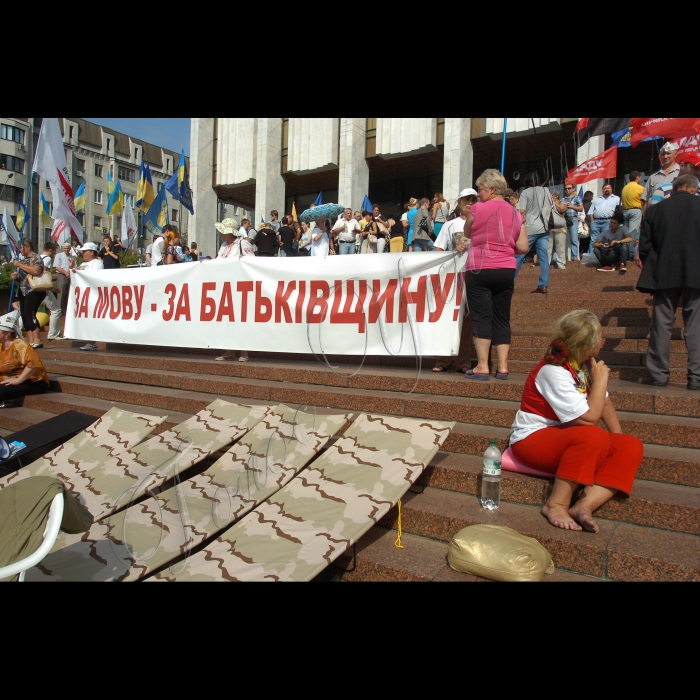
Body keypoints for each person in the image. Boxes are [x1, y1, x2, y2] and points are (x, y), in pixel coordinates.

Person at [509, 310, 644, 533]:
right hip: (532, 439)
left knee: (631, 445)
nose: (603, 340)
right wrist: (601, 381)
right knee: (593, 435)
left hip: (568, 438)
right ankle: (556, 504)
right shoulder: (552, 371)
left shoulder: (583, 365)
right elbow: (590, 418)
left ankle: (584, 505)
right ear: (587, 343)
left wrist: (618, 443)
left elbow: (605, 403)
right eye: (600, 336)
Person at [461, 169, 529, 381]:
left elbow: (467, 233)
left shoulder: (478, 208)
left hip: (479, 268)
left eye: (480, 189)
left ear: (491, 189)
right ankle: (503, 367)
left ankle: (482, 366)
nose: (478, 194)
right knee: (502, 318)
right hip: (506, 269)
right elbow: (523, 246)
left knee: (482, 317)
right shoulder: (516, 213)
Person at [637, 174, 700, 390]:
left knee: (662, 325)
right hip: (696, 273)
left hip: (664, 273)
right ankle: (696, 376)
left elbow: (645, 246)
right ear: (693, 188)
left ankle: (659, 374)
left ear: (672, 190)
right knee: (695, 326)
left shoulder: (655, 210)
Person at [433, 189, 479, 374]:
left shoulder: (481, 223)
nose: (469, 203)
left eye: (473, 200)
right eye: (466, 200)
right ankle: (443, 359)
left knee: (467, 321)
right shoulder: (450, 225)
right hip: (453, 278)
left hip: (472, 275)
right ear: (459, 202)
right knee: (447, 319)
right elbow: (438, 248)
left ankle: (463, 362)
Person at [516, 174, 565, 294]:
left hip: (529, 228)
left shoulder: (525, 192)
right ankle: (543, 284)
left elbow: (521, 211)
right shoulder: (546, 190)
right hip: (544, 227)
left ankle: (509, 282)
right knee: (544, 257)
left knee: (519, 256)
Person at [214, 224, 254, 364]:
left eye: (223, 231)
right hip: (225, 285)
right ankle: (230, 350)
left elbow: (252, 261)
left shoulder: (242, 243)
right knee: (228, 319)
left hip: (240, 285)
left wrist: (244, 258)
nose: (221, 234)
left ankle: (244, 351)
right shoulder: (224, 245)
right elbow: (218, 261)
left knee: (241, 318)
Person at [0, 311, 49, 405]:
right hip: (8, 379)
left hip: (32, 381)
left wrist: (18, 380)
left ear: (7, 333)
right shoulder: (1, 345)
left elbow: (34, 364)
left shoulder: (20, 345)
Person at [11, 240, 46, 349]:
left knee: (30, 313)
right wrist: (16, 277)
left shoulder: (36, 258)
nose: (19, 251)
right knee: (25, 316)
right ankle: (31, 340)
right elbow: (24, 277)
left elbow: (36, 271)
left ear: (27, 247)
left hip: (33, 290)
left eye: (20, 248)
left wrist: (20, 265)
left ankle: (37, 339)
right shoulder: (23, 260)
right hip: (23, 291)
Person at [73, 242, 104, 352]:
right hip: (83, 295)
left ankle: (92, 342)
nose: (83, 254)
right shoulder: (82, 264)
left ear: (91, 252)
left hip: (93, 295)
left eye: (85, 251)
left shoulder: (97, 263)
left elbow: (95, 277)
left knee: (92, 318)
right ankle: (90, 341)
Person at [642, 142, 680, 214]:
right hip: (656, 216)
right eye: (663, 154)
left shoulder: (681, 174)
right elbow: (646, 202)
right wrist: (645, 220)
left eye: (668, 153)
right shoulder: (653, 177)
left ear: (675, 154)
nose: (665, 156)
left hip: (675, 215)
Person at [40, 242, 63, 341]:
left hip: (35, 287)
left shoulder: (37, 257)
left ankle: (16, 328)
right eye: (54, 251)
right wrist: (51, 287)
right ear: (50, 250)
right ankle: (53, 334)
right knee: (56, 310)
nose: (55, 254)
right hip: (44, 288)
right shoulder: (47, 259)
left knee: (31, 310)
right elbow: (45, 273)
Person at [621, 171, 644, 253]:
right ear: (637, 178)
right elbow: (645, 200)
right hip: (635, 211)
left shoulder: (625, 188)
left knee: (626, 233)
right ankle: (629, 253)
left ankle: (625, 251)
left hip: (625, 212)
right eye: (640, 177)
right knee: (632, 233)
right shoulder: (640, 188)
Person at [54, 241, 75, 320]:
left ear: (70, 249)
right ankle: (59, 312)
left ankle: (65, 311)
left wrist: (71, 265)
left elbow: (73, 266)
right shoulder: (58, 255)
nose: (66, 249)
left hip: (70, 275)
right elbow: (57, 267)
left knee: (68, 294)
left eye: (68, 248)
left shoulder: (72, 256)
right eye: (65, 248)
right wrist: (65, 273)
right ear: (63, 249)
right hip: (62, 275)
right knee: (61, 293)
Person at [563, 184, 584, 261]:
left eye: (569, 188)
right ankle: (564, 257)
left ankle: (574, 257)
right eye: (566, 188)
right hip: (564, 220)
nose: (567, 190)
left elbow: (581, 208)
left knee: (574, 239)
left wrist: (571, 206)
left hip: (573, 219)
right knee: (563, 239)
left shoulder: (577, 198)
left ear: (573, 189)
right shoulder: (563, 199)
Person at [548, 191, 568, 270]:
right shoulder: (546, 203)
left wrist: (553, 203)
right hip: (549, 227)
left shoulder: (562, 202)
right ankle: (546, 263)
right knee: (547, 247)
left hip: (560, 227)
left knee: (560, 247)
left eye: (552, 195)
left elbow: (562, 209)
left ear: (557, 196)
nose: (551, 196)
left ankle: (561, 263)